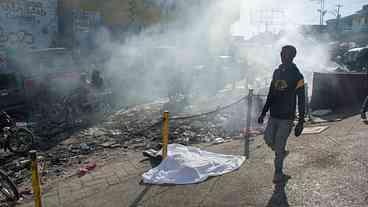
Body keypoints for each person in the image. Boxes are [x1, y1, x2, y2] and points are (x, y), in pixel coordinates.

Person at [258, 45, 305, 183]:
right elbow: (271, 94)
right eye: (281, 53)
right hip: (274, 115)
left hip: (287, 118)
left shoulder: (297, 76)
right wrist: (263, 112)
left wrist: (301, 122)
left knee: (278, 145)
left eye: (284, 53)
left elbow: (301, 101)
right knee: (267, 139)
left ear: (291, 56)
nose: (281, 55)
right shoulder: (276, 72)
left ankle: (278, 173)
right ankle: (282, 153)